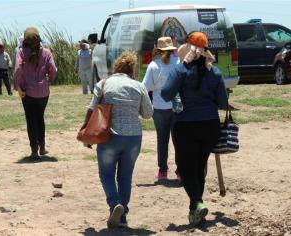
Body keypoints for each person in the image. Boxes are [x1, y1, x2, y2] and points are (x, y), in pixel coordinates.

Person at [161, 32, 228, 226]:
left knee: (185, 167)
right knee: (199, 167)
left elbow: (166, 94)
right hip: (209, 125)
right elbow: (223, 102)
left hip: (185, 124)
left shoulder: (180, 70)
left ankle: (197, 202)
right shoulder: (214, 72)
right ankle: (194, 211)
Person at [82, 51, 153, 228]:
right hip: (133, 138)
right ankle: (122, 217)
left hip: (109, 137)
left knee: (106, 174)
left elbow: (91, 109)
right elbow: (148, 114)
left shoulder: (103, 84)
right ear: (132, 69)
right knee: (125, 176)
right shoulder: (138, 86)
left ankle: (115, 204)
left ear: (116, 67)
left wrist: (87, 133)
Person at [13, 27, 57, 158]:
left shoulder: (21, 52)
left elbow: (17, 71)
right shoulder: (46, 52)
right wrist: (49, 81)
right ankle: (42, 147)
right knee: (40, 118)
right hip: (44, 92)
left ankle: (34, 150)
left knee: (31, 120)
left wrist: (18, 87)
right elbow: (53, 70)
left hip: (28, 92)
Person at [142, 36, 180, 181]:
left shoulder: (154, 65)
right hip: (177, 107)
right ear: (172, 49)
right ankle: (180, 170)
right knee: (178, 140)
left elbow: (146, 87)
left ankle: (162, 171)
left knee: (162, 140)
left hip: (159, 107)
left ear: (158, 50)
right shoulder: (179, 62)